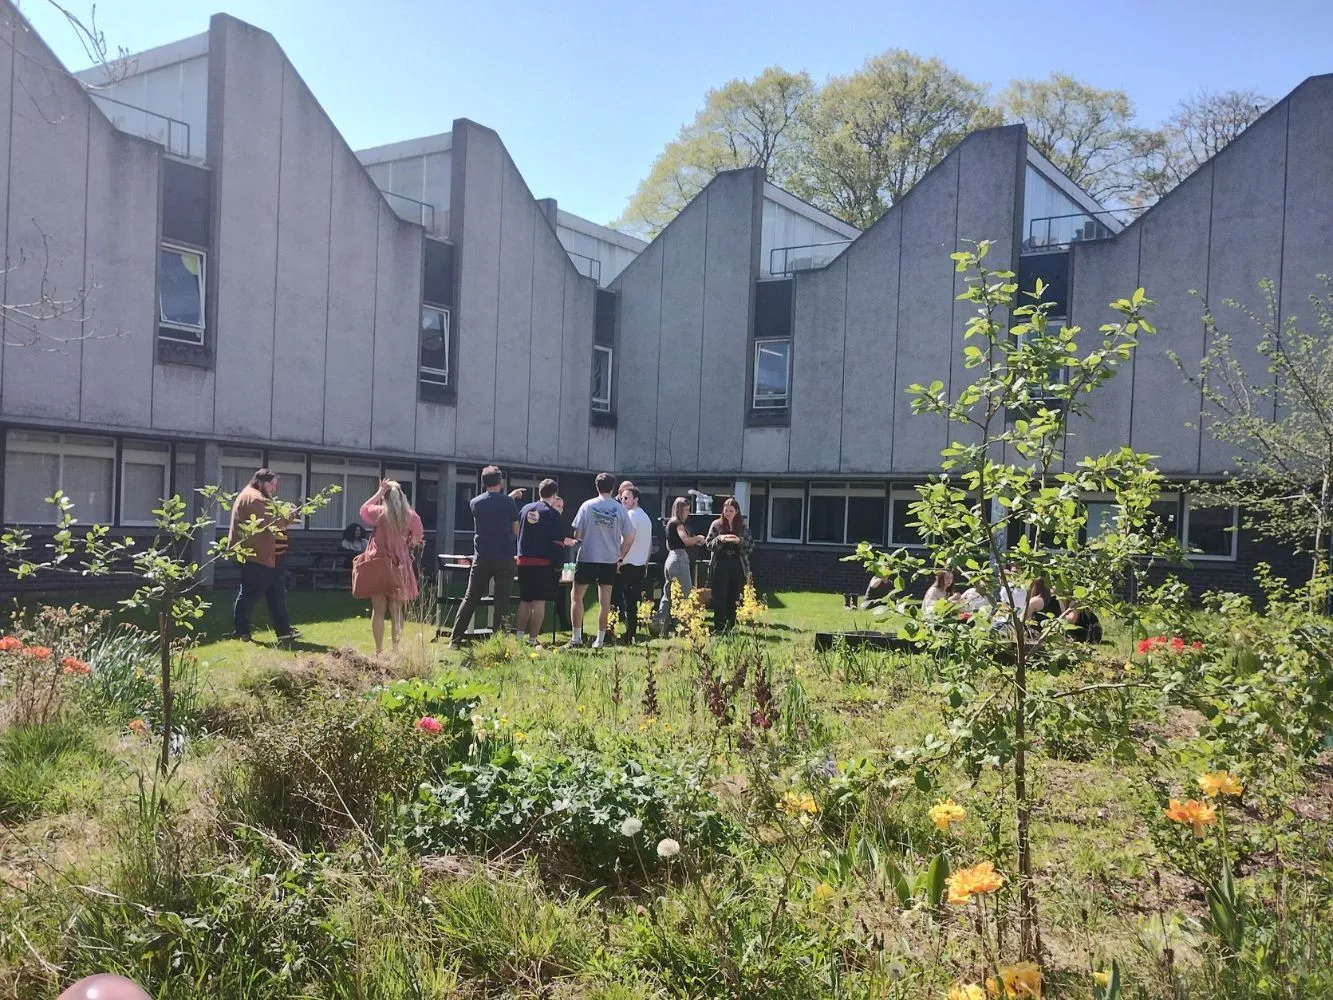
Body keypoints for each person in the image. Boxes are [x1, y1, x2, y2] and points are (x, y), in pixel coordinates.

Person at [448, 465, 519, 648]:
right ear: (500, 481)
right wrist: (509, 499)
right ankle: (499, 642)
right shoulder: (509, 503)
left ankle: (455, 640)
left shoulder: (475, 503)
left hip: (483, 557)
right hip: (505, 557)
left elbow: (491, 507)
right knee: (502, 601)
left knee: (470, 598)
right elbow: (515, 529)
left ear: (483, 483)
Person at [228, 468, 300, 642]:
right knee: (249, 594)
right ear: (260, 482)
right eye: (271, 484)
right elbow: (272, 523)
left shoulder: (258, 497)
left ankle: (283, 631)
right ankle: (241, 632)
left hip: (271, 557)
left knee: (277, 594)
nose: (274, 489)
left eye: (275, 485)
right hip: (258, 557)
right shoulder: (254, 498)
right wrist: (289, 516)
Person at [357, 480, 424, 654]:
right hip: (399, 565)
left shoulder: (378, 513)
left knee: (378, 609)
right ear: (402, 496)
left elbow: (363, 509)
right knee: (397, 610)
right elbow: (417, 539)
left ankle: (379, 650)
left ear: (384, 498)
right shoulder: (411, 516)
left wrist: (379, 491)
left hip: (378, 563)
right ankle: (396, 650)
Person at [569, 472, 634, 648]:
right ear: (613, 488)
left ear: (596, 486)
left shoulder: (587, 506)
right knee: (605, 601)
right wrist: (620, 556)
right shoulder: (620, 509)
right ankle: (600, 639)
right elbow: (629, 536)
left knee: (576, 597)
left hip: (588, 556)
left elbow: (578, 533)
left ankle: (576, 637)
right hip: (609, 559)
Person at [515, 479, 574, 645]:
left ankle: (519, 637)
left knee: (525, 600)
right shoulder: (552, 514)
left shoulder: (525, 509)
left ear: (539, 492)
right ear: (554, 495)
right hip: (542, 563)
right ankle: (533, 639)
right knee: (539, 601)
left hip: (523, 560)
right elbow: (557, 541)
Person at [705, 496, 752, 633]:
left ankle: (731, 626)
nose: (728, 513)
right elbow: (708, 544)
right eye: (726, 511)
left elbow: (750, 546)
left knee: (733, 595)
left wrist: (739, 541)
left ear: (736, 512)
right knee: (720, 595)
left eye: (731, 511)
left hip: (737, 565)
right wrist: (719, 539)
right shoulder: (716, 525)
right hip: (720, 564)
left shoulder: (742, 527)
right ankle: (719, 626)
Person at [613, 485, 654, 644]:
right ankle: (631, 636)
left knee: (615, 601)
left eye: (626, 498)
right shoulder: (646, 517)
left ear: (635, 499)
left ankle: (612, 634)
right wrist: (645, 563)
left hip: (626, 565)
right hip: (639, 566)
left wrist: (619, 559)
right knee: (632, 604)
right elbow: (649, 544)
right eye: (622, 498)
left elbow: (628, 539)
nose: (623, 500)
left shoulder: (631, 515)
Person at [656, 496, 705, 626]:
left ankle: (659, 623)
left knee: (668, 594)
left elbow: (668, 545)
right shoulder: (678, 524)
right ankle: (684, 624)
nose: (688, 513)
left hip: (670, 559)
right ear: (679, 510)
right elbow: (686, 540)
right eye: (686, 510)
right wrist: (698, 538)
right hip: (679, 559)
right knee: (685, 593)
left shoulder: (669, 524)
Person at [551, 494, 573, 631]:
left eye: (562, 507)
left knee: (561, 592)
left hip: (559, 560)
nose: (560, 509)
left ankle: (564, 621)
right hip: (547, 561)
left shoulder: (560, 521)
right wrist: (565, 541)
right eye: (558, 506)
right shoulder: (548, 519)